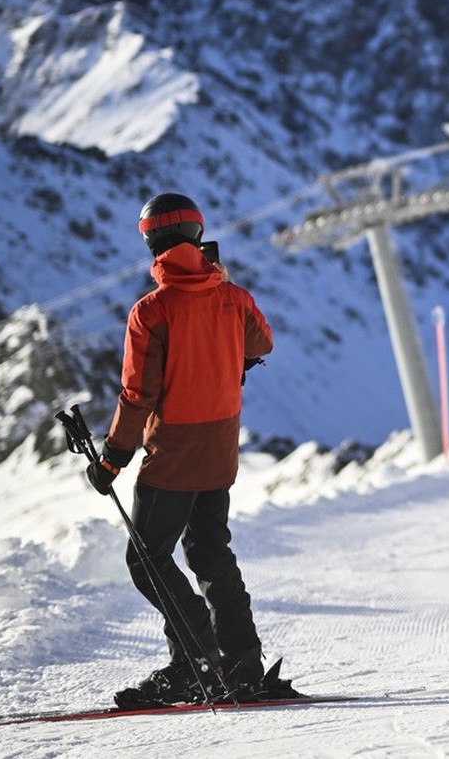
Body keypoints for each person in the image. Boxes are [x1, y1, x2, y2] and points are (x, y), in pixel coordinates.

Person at [86, 192, 275, 707]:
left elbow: (137, 395)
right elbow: (262, 344)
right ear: (197, 235)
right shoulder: (232, 296)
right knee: (210, 552)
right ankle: (241, 664)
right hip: (220, 448)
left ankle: (197, 659)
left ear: (149, 240)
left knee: (147, 559)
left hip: (173, 454)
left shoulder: (152, 311)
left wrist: (111, 458)